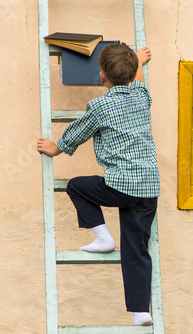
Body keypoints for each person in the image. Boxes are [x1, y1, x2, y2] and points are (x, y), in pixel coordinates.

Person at [36, 43, 160, 326]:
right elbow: (138, 80)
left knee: (77, 186)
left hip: (120, 187)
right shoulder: (141, 96)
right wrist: (138, 60)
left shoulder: (100, 106)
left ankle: (103, 237)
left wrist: (57, 148)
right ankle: (141, 312)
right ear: (132, 76)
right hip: (148, 190)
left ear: (102, 77)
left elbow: (79, 132)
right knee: (137, 248)